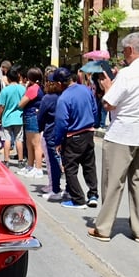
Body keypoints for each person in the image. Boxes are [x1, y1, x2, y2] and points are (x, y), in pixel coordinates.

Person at [89, 32, 139, 243]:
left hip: (123, 134)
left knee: (113, 183)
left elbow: (109, 104)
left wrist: (107, 88)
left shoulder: (127, 74)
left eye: (124, 51)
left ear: (131, 50)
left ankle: (103, 228)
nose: (123, 55)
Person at [53, 67, 99, 209]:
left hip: (73, 136)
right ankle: (93, 195)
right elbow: (94, 109)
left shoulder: (64, 98)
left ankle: (78, 199)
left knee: (70, 169)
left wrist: (58, 141)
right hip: (88, 132)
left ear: (60, 83)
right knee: (89, 165)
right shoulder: (85, 90)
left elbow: (61, 122)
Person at [38, 67, 65, 201]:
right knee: (66, 161)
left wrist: (40, 129)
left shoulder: (47, 98)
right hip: (65, 131)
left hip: (51, 132)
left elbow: (41, 117)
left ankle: (55, 188)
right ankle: (70, 189)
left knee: (53, 161)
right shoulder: (63, 96)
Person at [0, 66, 26, 168]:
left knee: (7, 139)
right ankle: (21, 160)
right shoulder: (23, 89)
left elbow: (2, 106)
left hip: (7, 118)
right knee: (19, 139)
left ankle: (6, 160)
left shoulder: (5, 91)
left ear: (8, 78)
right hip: (19, 118)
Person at [17, 68, 45, 178]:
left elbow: (21, 103)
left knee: (35, 144)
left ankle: (38, 168)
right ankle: (30, 166)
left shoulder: (33, 89)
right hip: (31, 116)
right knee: (29, 143)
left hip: (32, 116)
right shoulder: (37, 88)